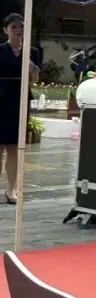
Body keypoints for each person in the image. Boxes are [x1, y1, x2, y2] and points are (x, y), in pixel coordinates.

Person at [0, 13, 41, 204]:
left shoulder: (32, 51)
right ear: (6, 30)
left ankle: (12, 189)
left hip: (20, 100)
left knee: (14, 147)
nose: (18, 30)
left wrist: (31, 67)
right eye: (14, 27)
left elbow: (34, 79)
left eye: (21, 27)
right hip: (1, 99)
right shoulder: (1, 50)